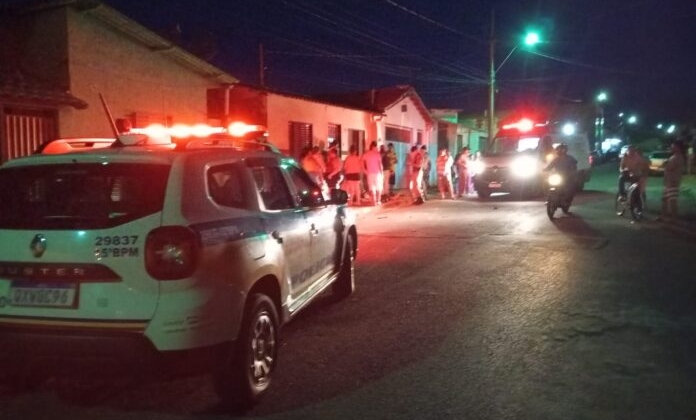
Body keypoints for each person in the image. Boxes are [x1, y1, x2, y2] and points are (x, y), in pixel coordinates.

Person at [661, 140, 687, 219]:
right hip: (669, 181)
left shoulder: (678, 157)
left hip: (673, 181)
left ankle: (673, 218)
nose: (671, 148)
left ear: (678, 148)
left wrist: (666, 164)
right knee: (664, 199)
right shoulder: (674, 156)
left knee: (672, 200)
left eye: (673, 146)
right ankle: (664, 216)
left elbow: (670, 167)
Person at [362, 141, 384, 205]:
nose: (377, 148)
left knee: (371, 187)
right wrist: (382, 173)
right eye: (376, 147)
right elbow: (380, 165)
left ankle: (374, 201)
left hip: (370, 173)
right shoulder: (377, 154)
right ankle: (378, 200)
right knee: (378, 187)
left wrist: (364, 170)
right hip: (377, 173)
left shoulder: (366, 154)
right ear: (373, 147)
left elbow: (361, 163)